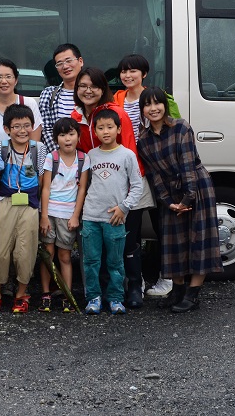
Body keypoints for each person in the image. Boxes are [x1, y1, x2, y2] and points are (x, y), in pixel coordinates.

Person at [136, 86, 223, 313]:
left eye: (157, 103)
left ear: (165, 106)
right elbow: (154, 175)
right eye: (147, 104)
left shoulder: (181, 127)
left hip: (196, 187)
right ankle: (177, 289)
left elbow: (187, 166)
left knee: (199, 241)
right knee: (173, 243)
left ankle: (192, 294)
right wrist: (167, 201)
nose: (153, 108)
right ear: (142, 109)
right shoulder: (143, 140)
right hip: (170, 195)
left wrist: (188, 198)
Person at [71, 67, 147, 308]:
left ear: (103, 89)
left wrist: (125, 203)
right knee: (97, 252)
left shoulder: (115, 114)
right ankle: (100, 294)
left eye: (94, 86)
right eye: (82, 86)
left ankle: (134, 287)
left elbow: (129, 153)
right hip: (96, 193)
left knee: (129, 242)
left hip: (124, 190)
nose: (88, 90)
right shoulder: (78, 117)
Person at [113, 54, 181, 299]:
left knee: (163, 227)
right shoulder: (117, 98)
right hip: (130, 173)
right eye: (124, 71)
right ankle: (136, 279)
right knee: (132, 229)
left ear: (144, 73)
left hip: (157, 170)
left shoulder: (158, 98)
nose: (127, 75)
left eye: (133, 71)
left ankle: (168, 277)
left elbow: (174, 128)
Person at [81, 109, 142, 315]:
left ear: (118, 129)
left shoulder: (127, 155)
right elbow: (85, 185)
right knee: (91, 261)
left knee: (115, 261)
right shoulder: (91, 155)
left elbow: (137, 186)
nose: (105, 131)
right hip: (91, 216)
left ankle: (116, 297)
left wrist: (124, 207)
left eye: (110, 127)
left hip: (115, 218)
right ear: (94, 131)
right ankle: (94, 297)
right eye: (100, 128)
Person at [0, 104, 48, 314]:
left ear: (32, 126)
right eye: (16, 126)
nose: (22, 131)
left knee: (25, 251)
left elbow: (42, 178)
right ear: (7, 129)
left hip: (30, 204)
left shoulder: (38, 148)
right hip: (5, 201)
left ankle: (21, 294)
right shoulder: (1, 148)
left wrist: (40, 210)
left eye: (26, 126)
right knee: (0, 251)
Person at [38, 117, 90, 313]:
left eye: (71, 134)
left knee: (65, 255)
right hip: (50, 213)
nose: (67, 139)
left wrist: (76, 215)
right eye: (62, 135)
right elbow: (45, 188)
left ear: (78, 136)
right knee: (47, 254)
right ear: (56, 138)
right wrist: (43, 216)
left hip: (68, 215)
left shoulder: (84, 159)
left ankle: (67, 293)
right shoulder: (52, 158)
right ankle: (45, 293)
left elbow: (82, 189)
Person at [0, 58, 43, 146]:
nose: (4, 81)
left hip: (27, 158)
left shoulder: (29, 103)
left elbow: (35, 143)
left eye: (8, 76)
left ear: (16, 80)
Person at [39, 43, 83, 151]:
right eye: (59, 63)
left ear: (80, 61)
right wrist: (61, 156)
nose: (65, 66)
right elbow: (46, 129)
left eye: (69, 60)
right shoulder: (49, 94)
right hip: (59, 159)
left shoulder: (91, 92)